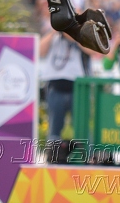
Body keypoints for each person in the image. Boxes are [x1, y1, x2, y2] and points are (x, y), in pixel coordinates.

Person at [38, 27, 90, 162]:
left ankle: (85, 156)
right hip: (55, 87)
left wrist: (75, 33)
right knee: (55, 124)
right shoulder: (53, 37)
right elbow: (39, 51)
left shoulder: (79, 39)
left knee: (80, 124)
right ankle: (53, 155)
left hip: (77, 88)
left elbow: (92, 51)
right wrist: (55, 30)